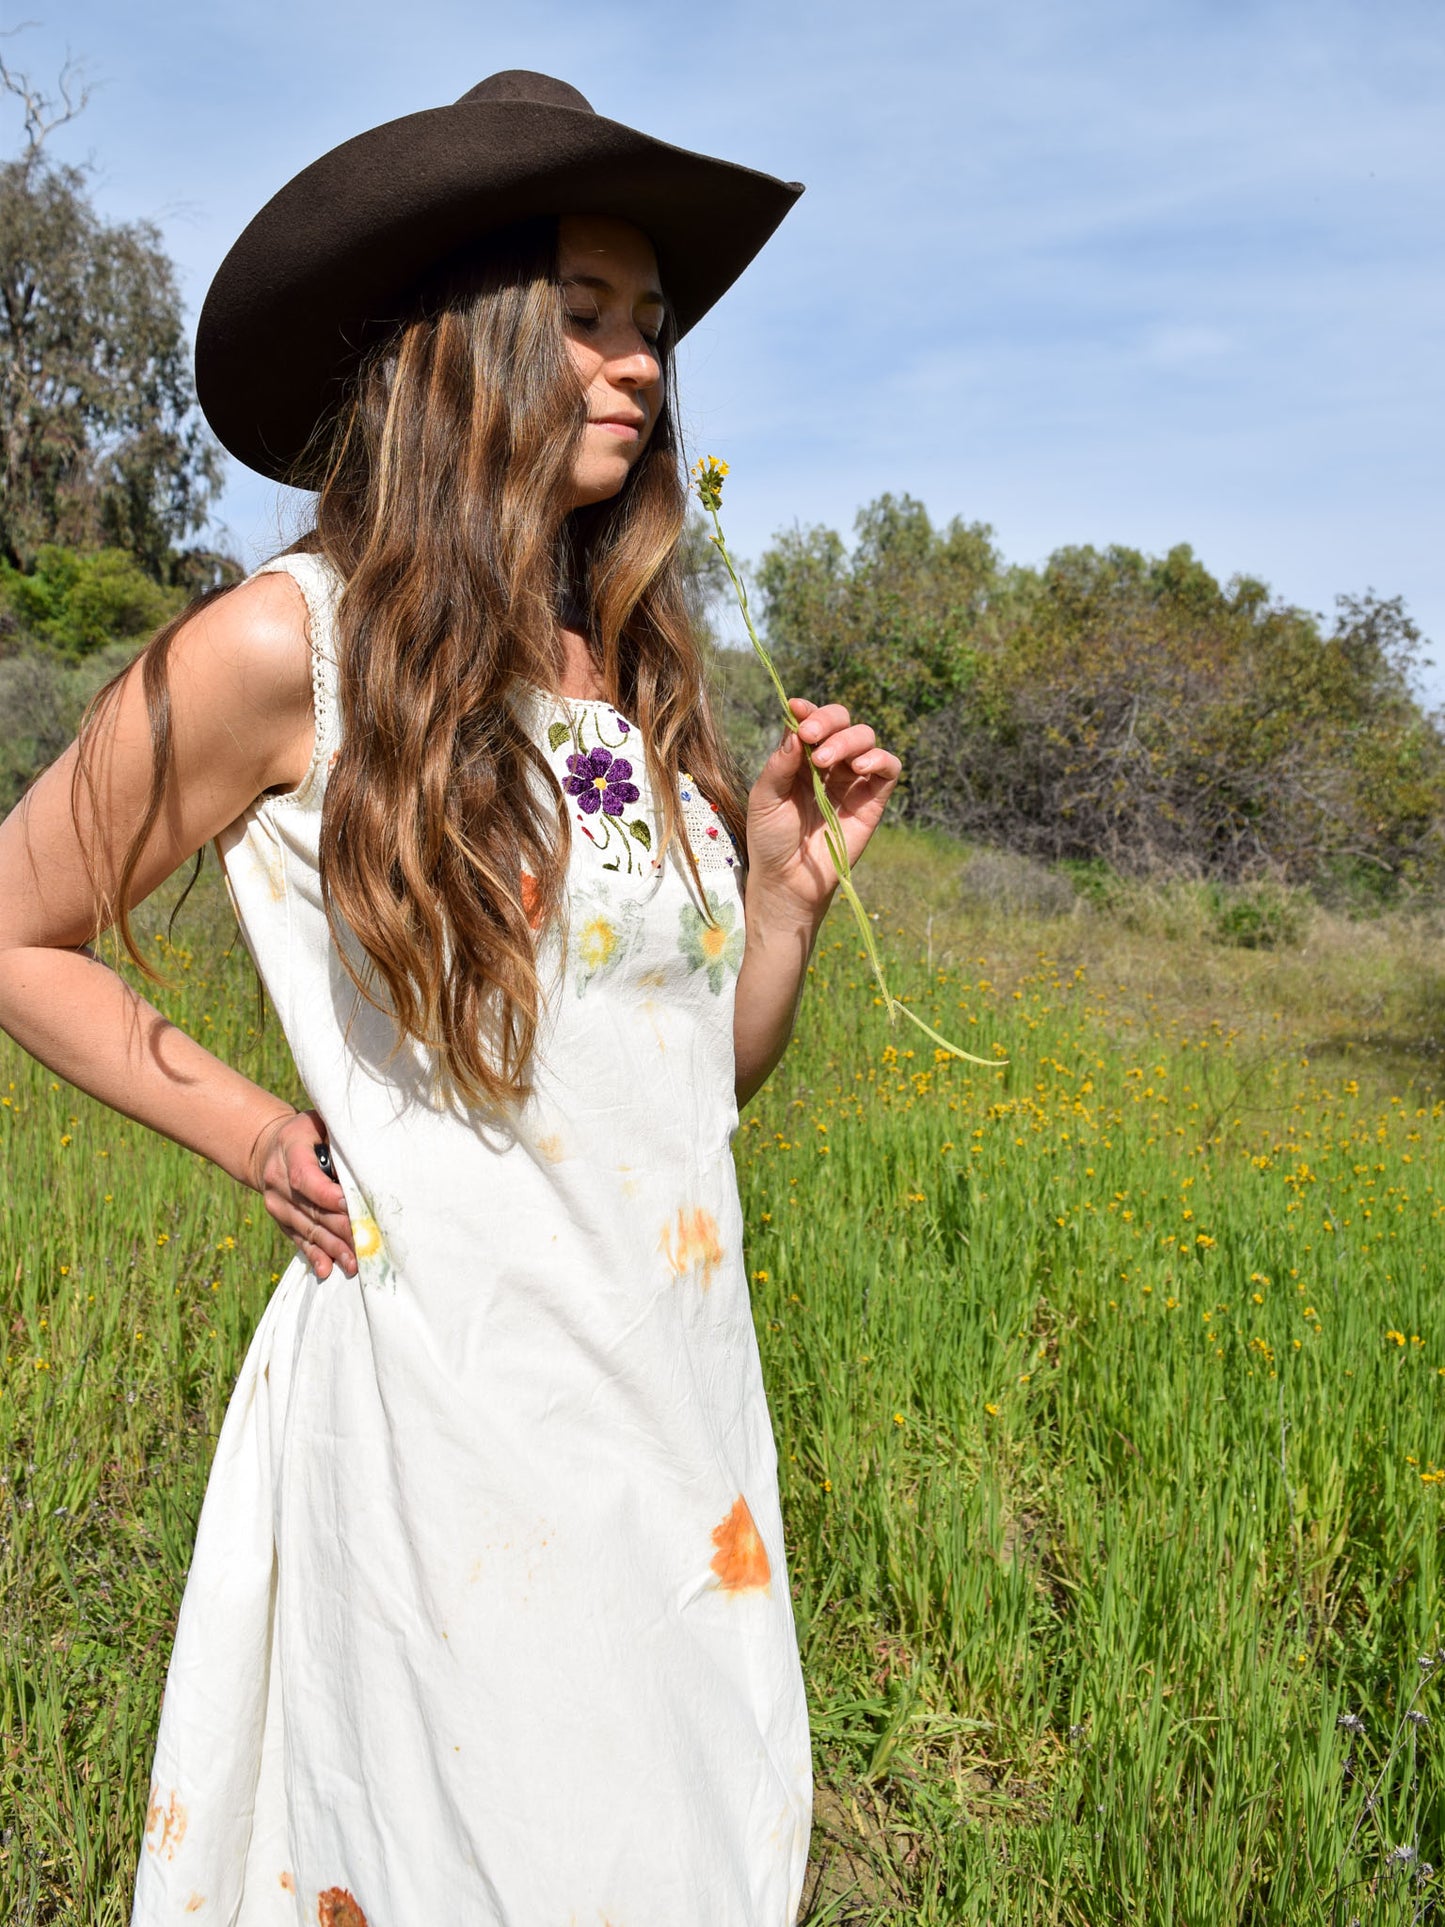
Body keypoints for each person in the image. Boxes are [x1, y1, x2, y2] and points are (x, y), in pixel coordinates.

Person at [0, 72, 901, 1926]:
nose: (638, 363)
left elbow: (677, 1099)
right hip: (449, 1416)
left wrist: (784, 904)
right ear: (460, 340)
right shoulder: (287, 649)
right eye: (584, 314)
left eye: (650, 325)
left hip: (674, 1425)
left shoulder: (636, 675)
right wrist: (252, 1126)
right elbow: (18, 927)